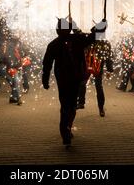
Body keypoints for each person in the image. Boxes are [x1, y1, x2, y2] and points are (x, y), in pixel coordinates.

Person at [42, 18, 107, 146]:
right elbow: (95, 36)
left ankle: (66, 129)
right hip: (74, 78)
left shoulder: (55, 43)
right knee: (70, 106)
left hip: (65, 79)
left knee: (66, 105)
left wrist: (45, 79)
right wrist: (102, 25)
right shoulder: (77, 39)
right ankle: (66, 130)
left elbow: (47, 64)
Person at [77, 39, 113, 117]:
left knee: (98, 87)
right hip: (87, 66)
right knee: (82, 83)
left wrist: (109, 70)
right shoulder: (88, 40)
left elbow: (108, 57)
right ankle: (81, 102)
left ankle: (101, 108)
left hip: (97, 68)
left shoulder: (104, 43)